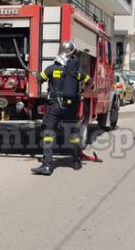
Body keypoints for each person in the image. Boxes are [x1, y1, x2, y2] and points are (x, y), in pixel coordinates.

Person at [31, 41, 92, 176]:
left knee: (49, 133)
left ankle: (47, 166)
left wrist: (35, 74)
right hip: (71, 107)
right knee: (73, 135)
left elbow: (38, 80)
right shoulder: (78, 71)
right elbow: (90, 81)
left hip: (55, 106)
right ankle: (76, 162)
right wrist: (82, 92)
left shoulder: (52, 69)